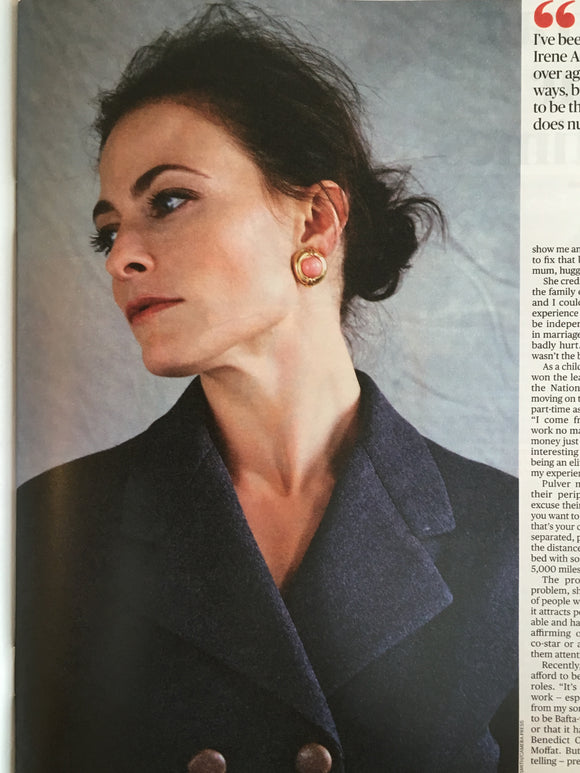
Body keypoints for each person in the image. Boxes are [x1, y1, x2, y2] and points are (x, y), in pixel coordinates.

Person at [16, 5, 517, 772]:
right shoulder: (48, 531)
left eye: (168, 200)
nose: (120, 258)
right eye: (108, 229)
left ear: (315, 222)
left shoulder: (516, 540)